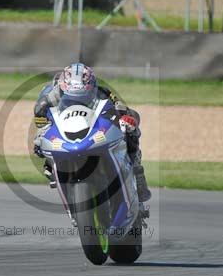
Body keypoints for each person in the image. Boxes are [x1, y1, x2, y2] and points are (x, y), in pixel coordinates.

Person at [33, 63, 152, 205]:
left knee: (130, 129)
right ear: (61, 87)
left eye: (83, 95)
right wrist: (40, 141)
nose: (77, 99)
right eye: (70, 96)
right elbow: (42, 126)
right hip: (64, 131)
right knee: (41, 148)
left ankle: (138, 175)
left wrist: (127, 118)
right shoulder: (47, 100)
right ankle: (55, 170)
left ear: (92, 87)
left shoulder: (103, 92)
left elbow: (125, 110)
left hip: (93, 127)